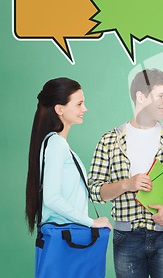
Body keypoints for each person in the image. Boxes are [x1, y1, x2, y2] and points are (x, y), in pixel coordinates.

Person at [87, 69, 163, 278]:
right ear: (141, 97)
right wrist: (127, 184)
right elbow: (94, 190)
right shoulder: (109, 140)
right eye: (160, 96)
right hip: (127, 237)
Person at [25, 77, 112, 235]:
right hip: (65, 236)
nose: (84, 109)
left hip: (67, 235)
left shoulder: (55, 143)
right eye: (79, 104)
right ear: (59, 109)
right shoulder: (56, 144)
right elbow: (51, 198)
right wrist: (91, 222)